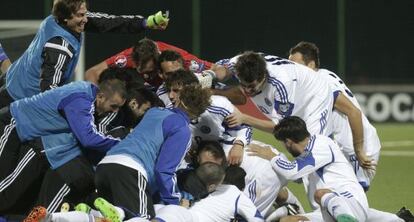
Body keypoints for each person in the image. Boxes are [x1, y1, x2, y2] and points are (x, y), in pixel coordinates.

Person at [288, 41, 409, 222]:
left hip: (354, 151)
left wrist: (359, 151)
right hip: (347, 150)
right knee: (341, 206)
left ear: (311, 64)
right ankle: (398, 220)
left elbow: (353, 112)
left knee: (340, 205)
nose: (292, 70)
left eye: (295, 64)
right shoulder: (319, 80)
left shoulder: (321, 81)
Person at [217, 51, 374, 172]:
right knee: (299, 153)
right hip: (295, 94)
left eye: (252, 86)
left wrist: (245, 118)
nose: (247, 91)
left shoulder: (281, 84)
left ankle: (337, 187)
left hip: (314, 97)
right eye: (243, 85)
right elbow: (220, 68)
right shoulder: (241, 62)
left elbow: (281, 129)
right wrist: (210, 75)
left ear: (263, 76)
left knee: (312, 150)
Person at [0, 0, 169, 108]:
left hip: (14, 75)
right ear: (67, 17)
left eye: (85, 13)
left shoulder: (62, 18)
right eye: (81, 15)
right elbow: (49, 92)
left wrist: (146, 22)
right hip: (20, 98)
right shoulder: (60, 46)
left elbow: (109, 22)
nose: (86, 19)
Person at [0, 79, 126, 214]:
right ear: (100, 97)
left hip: (18, 130)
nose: (115, 111)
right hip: (11, 124)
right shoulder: (80, 100)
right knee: (4, 188)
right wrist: (122, 144)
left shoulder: (85, 93)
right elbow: (88, 138)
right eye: (113, 106)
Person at [94, 76, 211, 220]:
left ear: (179, 99)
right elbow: (164, 170)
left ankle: (88, 216)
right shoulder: (182, 129)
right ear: (198, 113)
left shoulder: (154, 111)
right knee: (143, 218)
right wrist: (174, 202)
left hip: (105, 166)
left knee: (114, 217)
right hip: (130, 171)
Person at [248, 116, 369, 222]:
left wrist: (272, 157)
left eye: (283, 143)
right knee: (287, 221)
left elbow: (292, 172)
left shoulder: (320, 145)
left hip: (349, 204)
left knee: (321, 194)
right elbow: (297, 177)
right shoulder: (305, 156)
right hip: (326, 213)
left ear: (288, 142)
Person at [86, 39, 247, 104]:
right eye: (140, 71)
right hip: (160, 97)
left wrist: (209, 78)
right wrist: (95, 102)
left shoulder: (178, 60)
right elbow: (92, 73)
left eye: (149, 71)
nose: (146, 76)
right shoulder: (129, 56)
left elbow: (222, 70)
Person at [196, 140, 304, 220]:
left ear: (222, 159)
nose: (207, 168)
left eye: (211, 165)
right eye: (204, 164)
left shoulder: (255, 174)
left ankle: (288, 212)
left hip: (265, 173)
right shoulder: (219, 148)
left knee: (245, 213)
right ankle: (290, 205)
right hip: (269, 160)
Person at [164, 69, 252, 165]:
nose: (171, 96)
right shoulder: (168, 114)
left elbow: (244, 127)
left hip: (226, 151)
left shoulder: (218, 105)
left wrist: (239, 145)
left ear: (190, 89)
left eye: (176, 91)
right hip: (194, 159)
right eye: (169, 91)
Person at [155, 162, 264, 222]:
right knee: (157, 208)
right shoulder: (207, 187)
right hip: (187, 215)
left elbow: (257, 218)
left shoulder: (235, 194)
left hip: (190, 218)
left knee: (171, 211)